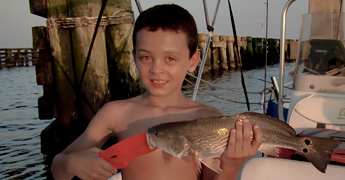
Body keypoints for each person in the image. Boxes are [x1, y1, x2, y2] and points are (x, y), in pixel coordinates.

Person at [51, 4, 262, 180]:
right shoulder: (115, 113)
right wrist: (71, 163)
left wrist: (232, 165)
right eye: (146, 58)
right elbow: (57, 168)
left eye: (170, 59)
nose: (156, 69)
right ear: (134, 58)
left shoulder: (209, 118)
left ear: (192, 61)